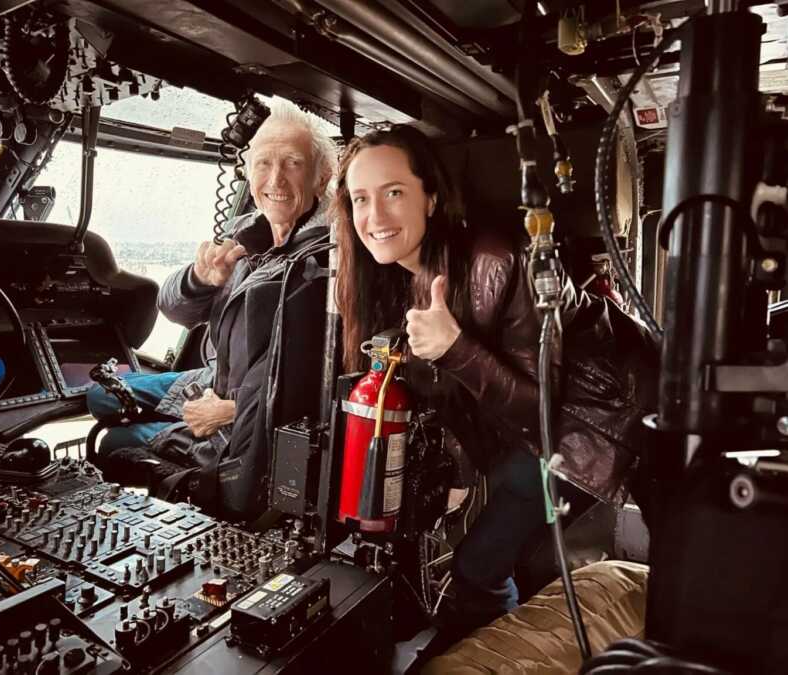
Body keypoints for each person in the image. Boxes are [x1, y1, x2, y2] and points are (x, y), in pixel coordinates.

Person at [333, 125, 657, 632]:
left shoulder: (498, 261)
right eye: (360, 199)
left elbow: (540, 411)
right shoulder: (403, 275)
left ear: (432, 198)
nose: (374, 217)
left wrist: (454, 349)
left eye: (394, 193)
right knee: (508, 542)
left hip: (599, 418)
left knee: (477, 568)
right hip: (538, 430)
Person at [87, 101, 337, 516]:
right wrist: (200, 281)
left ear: (321, 176)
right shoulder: (245, 233)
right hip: (210, 378)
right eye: (263, 163)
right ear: (246, 169)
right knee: (100, 398)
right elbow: (173, 308)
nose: (274, 179)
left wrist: (232, 412)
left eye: (292, 163)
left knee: (112, 442)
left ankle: (184, 472)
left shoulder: (325, 261)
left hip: (245, 409)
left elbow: (322, 374)